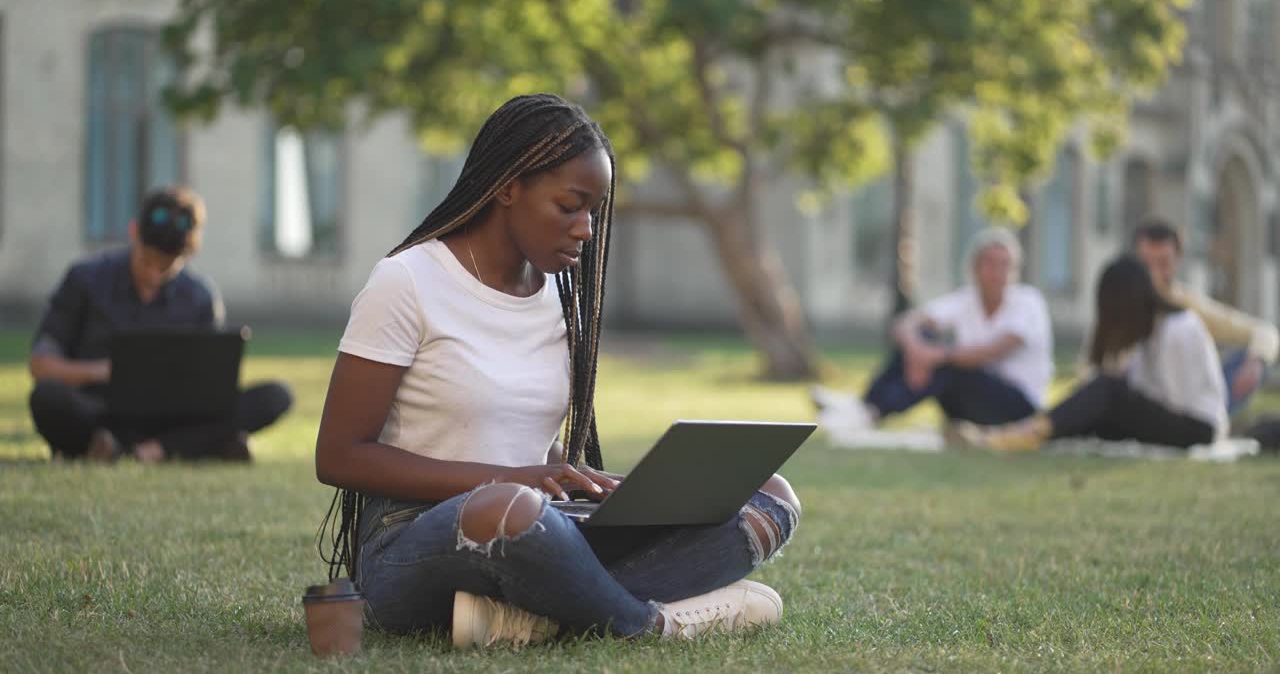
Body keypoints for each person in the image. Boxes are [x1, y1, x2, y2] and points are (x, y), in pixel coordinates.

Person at [313, 94, 802, 647]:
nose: (587, 229)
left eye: (594, 209)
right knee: (511, 510)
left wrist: (585, 484)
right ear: (507, 186)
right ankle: (647, 624)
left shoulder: (558, 299)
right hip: (411, 542)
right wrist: (508, 481)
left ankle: (539, 619)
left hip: (539, 521)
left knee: (769, 496)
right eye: (570, 205)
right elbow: (339, 456)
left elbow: (527, 444)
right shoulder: (406, 282)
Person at [27, 186, 293, 463]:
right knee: (47, 397)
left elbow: (214, 388)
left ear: (189, 256)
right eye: (147, 261)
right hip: (101, 411)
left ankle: (151, 448)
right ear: (133, 233)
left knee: (275, 396)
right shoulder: (84, 280)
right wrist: (107, 371)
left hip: (176, 418)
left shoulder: (201, 296)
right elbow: (41, 365)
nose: (154, 275)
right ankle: (199, 445)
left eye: (166, 266)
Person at [962, 256, 1227, 451]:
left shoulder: (1178, 329)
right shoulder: (1152, 332)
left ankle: (1026, 432)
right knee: (1091, 411)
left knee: (1109, 389)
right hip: (1175, 421)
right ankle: (1027, 434)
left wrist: (1125, 396)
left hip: (1197, 427)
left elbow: (1174, 400)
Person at [811, 227, 1053, 437]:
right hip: (968, 402)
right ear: (975, 268)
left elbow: (995, 350)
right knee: (923, 340)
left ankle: (869, 411)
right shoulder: (965, 301)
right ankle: (865, 407)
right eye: (990, 264)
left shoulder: (1028, 301)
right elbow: (905, 324)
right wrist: (917, 349)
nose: (998, 273)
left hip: (1017, 408)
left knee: (950, 365)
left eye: (1005, 265)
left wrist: (936, 356)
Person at [1132, 218, 1277, 414]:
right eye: (1146, 263)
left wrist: (1255, 361)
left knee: (1251, 357)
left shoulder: (1188, 304)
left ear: (1177, 261)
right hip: (1137, 399)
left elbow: (1264, 331)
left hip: (1187, 408)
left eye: (1163, 263)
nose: (1154, 273)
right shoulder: (1121, 299)